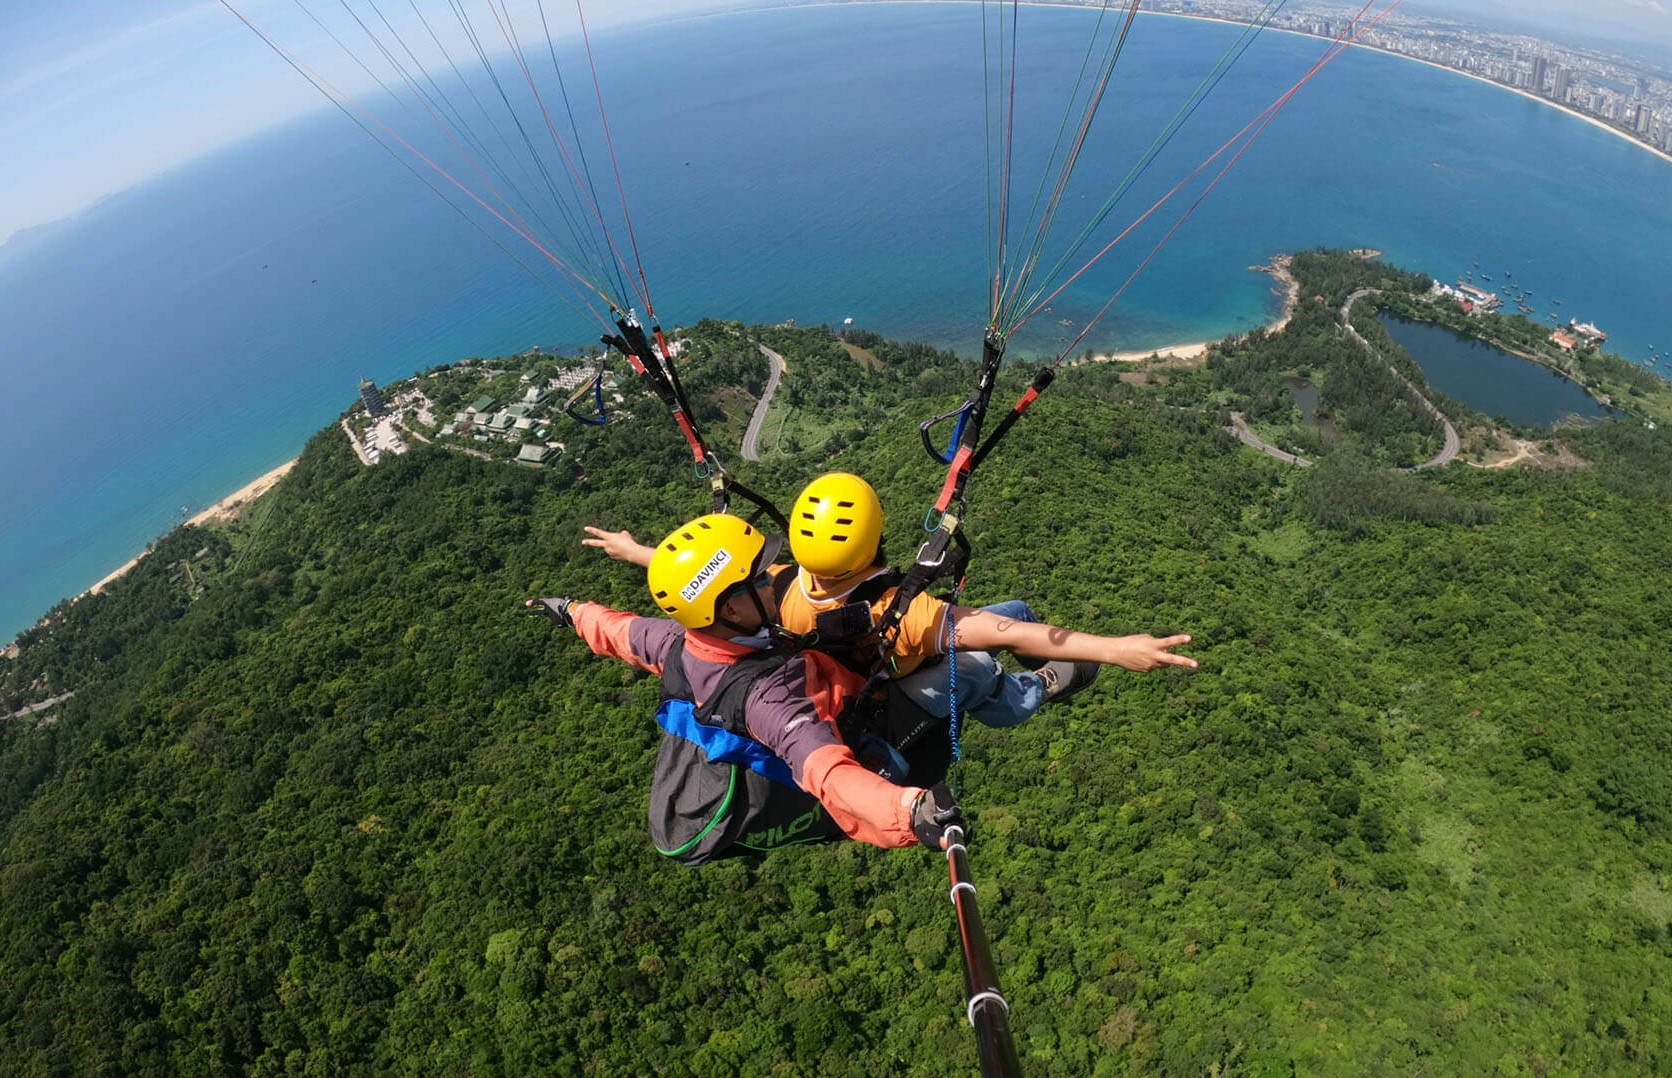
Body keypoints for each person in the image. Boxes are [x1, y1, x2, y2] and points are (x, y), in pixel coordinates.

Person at [582, 472, 1196, 730]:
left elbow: (717, 586)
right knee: (987, 668)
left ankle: (1033, 668)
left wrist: (641, 553)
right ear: (876, 540)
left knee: (1013, 612)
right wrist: (1117, 649)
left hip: (868, 663)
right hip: (896, 686)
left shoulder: (779, 586)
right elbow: (1010, 640)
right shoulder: (911, 614)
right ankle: (1041, 690)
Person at [531, 512, 962, 864]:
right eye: (758, 581)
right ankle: (1028, 688)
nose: (771, 582)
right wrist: (910, 812)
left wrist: (570, 610)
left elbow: (614, 630)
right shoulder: (766, 698)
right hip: (863, 744)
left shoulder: (676, 642)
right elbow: (825, 769)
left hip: (827, 699)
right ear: (730, 607)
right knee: (969, 673)